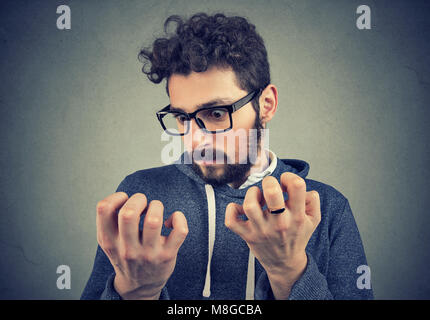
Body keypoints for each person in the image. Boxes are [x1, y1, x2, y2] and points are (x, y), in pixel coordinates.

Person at [81, 12, 373, 300]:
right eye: (182, 117)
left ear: (267, 104)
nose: (195, 139)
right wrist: (136, 293)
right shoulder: (139, 199)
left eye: (217, 113)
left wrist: (289, 272)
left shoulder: (326, 209)